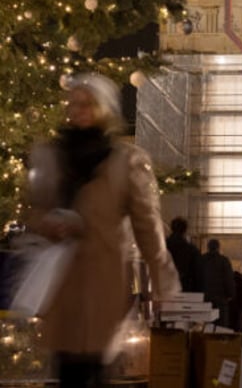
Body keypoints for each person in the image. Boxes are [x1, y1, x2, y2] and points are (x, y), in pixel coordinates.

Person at [24, 73, 180, 388]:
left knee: (94, 364)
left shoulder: (126, 160)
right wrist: (46, 223)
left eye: (87, 104)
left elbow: (147, 225)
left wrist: (164, 283)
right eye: (74, 103)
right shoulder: (50, 155)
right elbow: (32, 207)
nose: (78, 109)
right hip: (61, 279)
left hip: (103, 279)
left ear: (104, 109)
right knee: (67, 364)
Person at [201, 238, 235, 328]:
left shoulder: (201, 260)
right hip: (221, 298)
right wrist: (231, 294)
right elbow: (229, 279)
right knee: (221, 326)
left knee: (206, 324)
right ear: (218, 248)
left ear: (207, 248)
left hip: (204, 298)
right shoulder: (224, 261)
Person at [166, 216, 202, 293]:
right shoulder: (192, 250)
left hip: (164, 291)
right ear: (185, 230)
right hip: (185, 291)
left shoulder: (162, 248)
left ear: (171, 228)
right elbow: (198, 275)